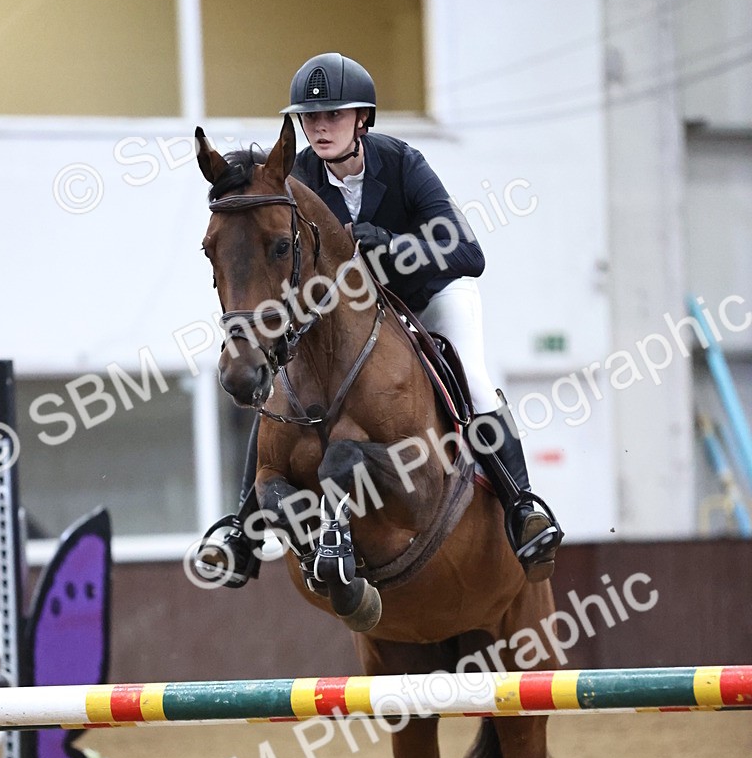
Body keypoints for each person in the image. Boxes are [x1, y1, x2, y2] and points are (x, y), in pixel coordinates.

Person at [201, 52, 563, 585]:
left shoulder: (402, 163)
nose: (320, 127)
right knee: (281, 390)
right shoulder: (297, 177)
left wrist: (397, 248)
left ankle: (521, 508)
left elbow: (468, 251)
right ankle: (243, 530)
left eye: (334, 115)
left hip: (426, 298)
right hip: (349, 314)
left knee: (477, 383)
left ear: (362, 120)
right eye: (311, 118)